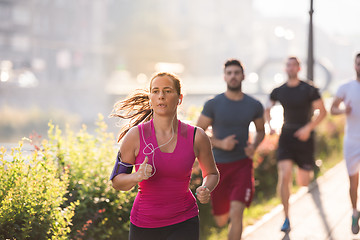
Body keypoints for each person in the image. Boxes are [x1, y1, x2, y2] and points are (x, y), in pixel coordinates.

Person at [109, 72, 219, 240]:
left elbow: (211, 173)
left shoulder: (197, 136)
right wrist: (136, 176)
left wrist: (206, 188)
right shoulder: (135, 136)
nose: (161, 96)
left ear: (179, 98)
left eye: (167, 91)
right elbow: (116, 181)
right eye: (155, 91)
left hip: (184, 220)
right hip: (144, 224)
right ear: (150, 98)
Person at [196, 59, 265, 240]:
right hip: (217, 168)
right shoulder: (213, 104)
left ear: (243, 76)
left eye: (236, 73)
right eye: (229, 73)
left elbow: (260, 131)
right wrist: (220, 143)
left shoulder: (254, 105)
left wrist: (254, 146)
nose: (233, 76)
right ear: (224, 77)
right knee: (221, 220)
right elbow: (197, 133)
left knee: (237, 213)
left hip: (242, 165)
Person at [265, 56, 327, 232]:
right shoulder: (279, 90)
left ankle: (312, 168)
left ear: (299, 69)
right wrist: (270, 126)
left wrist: (308, 128)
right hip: (286, 136)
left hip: (305, 138)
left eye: (294, 65)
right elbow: (267, 108)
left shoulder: (309, 89)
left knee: (303, 182)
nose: (290, 68)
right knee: (284, 176)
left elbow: (322, 112)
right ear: (285, 69)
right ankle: (286, 218)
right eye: (288, 65)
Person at [330, 53, 360, 234]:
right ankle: (354, 211)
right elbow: (332, 109)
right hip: (352, 142)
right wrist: (343, 110)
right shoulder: (345, 87)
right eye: (358, 63)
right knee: (353, 182)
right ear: (354, 66)